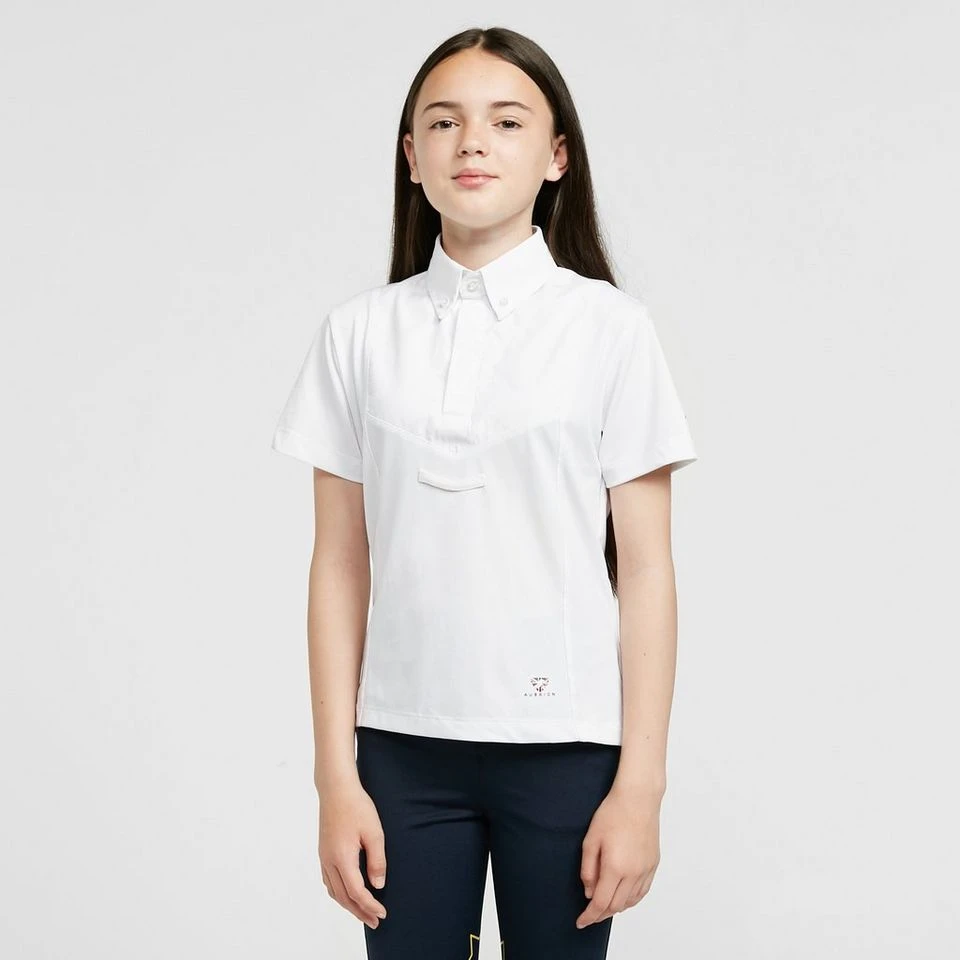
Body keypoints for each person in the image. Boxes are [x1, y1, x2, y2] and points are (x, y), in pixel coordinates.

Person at [270, 25, 699, 960]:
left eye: (506, 122)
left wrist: (642, 786)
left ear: (556, 155)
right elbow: (339, 565)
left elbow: (647, 572)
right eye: (444, 122)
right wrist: (335, 775)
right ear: (411, 155)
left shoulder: (611, 331)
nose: (472, 143)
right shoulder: (357, 335)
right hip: (400, 748)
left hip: (568, 743)